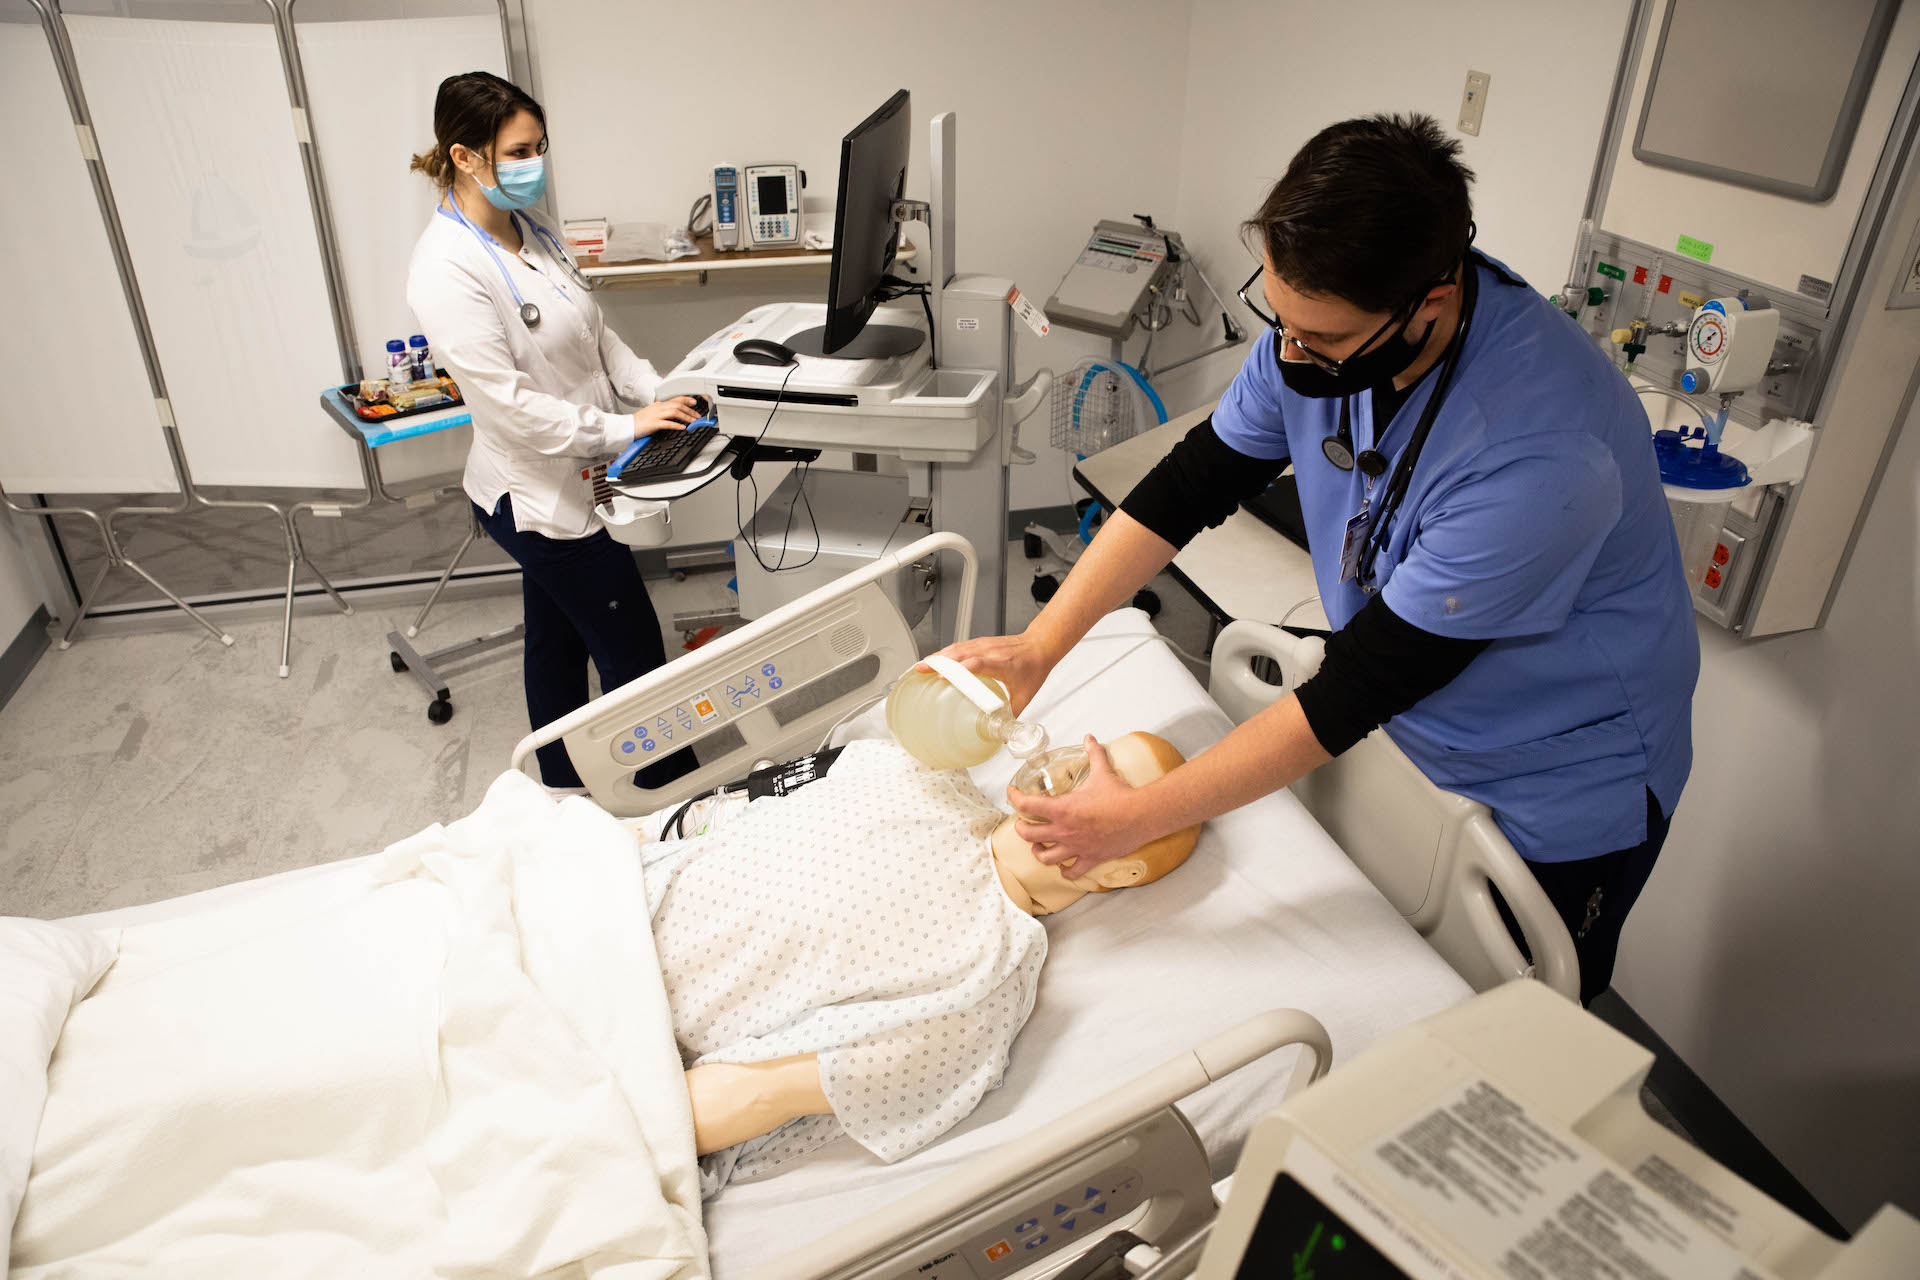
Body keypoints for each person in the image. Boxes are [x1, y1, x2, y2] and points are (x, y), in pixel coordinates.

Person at [931, 114, 1700, 1005]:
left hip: (1553, 778)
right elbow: (1193, 483)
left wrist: (1132, 822)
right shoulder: (1325, 326)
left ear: (1431, 307)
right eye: (1280, 325)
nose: (1289, 358)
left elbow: (1357, 688)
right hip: (1412, 730)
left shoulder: (1545, 457)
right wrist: (1041, 645)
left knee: (1510, 1023)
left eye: (1322, 343)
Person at [622, 732, 1199, 1189]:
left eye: (1112, 785)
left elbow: (732, 1100)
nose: (1073, 774)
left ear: (1119, 873)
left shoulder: (976, 994)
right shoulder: (911, 768)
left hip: (607, 1031)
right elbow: (703, 818)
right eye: (1087, 758)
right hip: (587, 892)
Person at [406, 71, 699, 790]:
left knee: (557, 636)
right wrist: (627, 425)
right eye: (519, 150)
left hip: (581, 471)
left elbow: (596, 336)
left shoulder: (530, 230)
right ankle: (680, 796)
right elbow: (511, 409)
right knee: (634, 652)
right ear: (466, 157)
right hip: (534, 495)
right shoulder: (445, 272)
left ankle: (561, 786)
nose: (536, 162)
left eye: (539, 145)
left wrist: (657, 392)